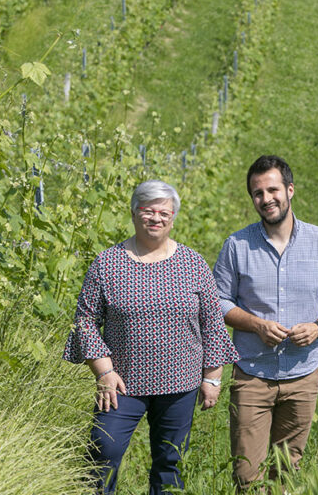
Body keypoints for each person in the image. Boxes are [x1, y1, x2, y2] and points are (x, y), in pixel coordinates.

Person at [63, 180, 240, 495]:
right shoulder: (107, 263)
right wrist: (103, 371)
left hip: (180, 383)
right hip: (122, 384)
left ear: (173, 218)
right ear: (133, 213)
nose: (156, 218)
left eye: (164, 213)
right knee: (103, 452)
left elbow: (212, 320)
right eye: (148, 211)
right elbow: (86, 320)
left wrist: (212, 376)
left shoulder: (193, 263)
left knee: (170, 461)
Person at [213, 155, 318, 490]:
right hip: (252, 375)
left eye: (272, 190)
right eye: (258, 193)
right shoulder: (237, 245)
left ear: (290, 190)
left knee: (287, 472)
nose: (266, 199)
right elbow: (218, 303)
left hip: (302, 376)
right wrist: (257, 325)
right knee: (247, 476)